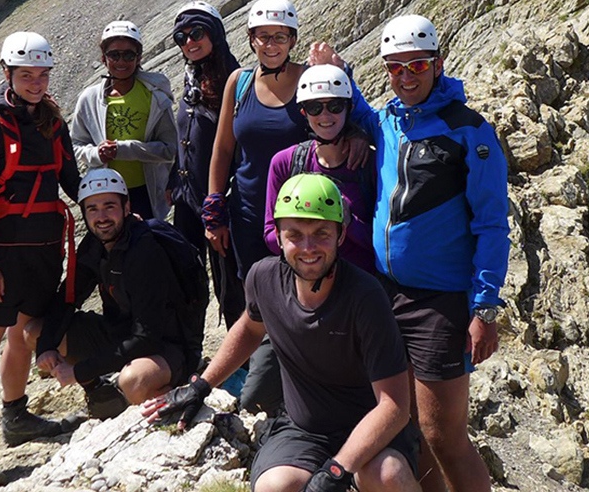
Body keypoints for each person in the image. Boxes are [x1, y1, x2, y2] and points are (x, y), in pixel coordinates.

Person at [312, 16, 509, 492]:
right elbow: (353, 111)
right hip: (384, 294)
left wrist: (484, 306)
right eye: (395, 68)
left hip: (439, 301)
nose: (406, 76)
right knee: (411, 431)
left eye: (416, 64)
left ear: (438, 63)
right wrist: (338, 71)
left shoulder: (469, 132)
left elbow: (491, 224)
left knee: (445, 435)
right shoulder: (386, 121)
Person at [146, 174, 420, 492]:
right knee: (274, 487)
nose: (308, 247)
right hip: (304, 429)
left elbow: (395, 407)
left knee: (388, 475)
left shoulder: (365, 296)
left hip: (371, 428)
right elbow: (249, 330)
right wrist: (202, 385)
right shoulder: (264, 278)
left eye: (321, 234)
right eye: (294, 235)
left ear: (340, 235)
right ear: (278, 235)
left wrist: (336, 469)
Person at [0, 31, 82, 490]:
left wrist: (110, 203)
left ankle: (16, 417)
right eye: (27, 74)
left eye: (43, 74)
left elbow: (71, 180)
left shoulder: (52, 122)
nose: (36, 82)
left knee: (21, 342)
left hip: (44, 255)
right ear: (8, 74)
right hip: (2, 263)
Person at [30, 168, 207, 418]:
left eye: (109, 206)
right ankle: (101, 395)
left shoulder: (145, 250)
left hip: (168, 345)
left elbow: (147, 338)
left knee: (133, 382)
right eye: (92, 209)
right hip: (121, 334)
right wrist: (46, 346)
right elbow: (68, 298)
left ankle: (175, 396)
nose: (101, 217)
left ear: (126, 207)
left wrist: (80, 371)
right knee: (35, 332)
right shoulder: (94, 245)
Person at [204, 0, 309, 413]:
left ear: (292, 39)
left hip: (297, 217)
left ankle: (293, 383)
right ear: (250, 40)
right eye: (263, 36)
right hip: (248, 213)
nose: (271, 44)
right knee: (257, 299)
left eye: (279, 36)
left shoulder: (310, 79)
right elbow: (223, 148)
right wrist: (214, 206)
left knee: (299, 297)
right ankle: (263, 385)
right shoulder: (240, 83)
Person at [168, 0, 246, 326]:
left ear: (214, 33)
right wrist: (173, 182)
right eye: (181, 37)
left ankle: (244, 364)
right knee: (187, 275)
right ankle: (189, 353)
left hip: (220, 199)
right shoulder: (193, 77)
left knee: (229, 280)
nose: (189, 41)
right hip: (187, 199)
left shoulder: (233, 77)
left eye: (197, 32)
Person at [263, 65, 376, 275]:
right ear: (304, 112)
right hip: (307, 284)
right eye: (315, 108)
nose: (325, 115)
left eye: (335, 106)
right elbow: (271, 235)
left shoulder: (371, 164)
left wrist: (348, 221)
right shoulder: (285, 163)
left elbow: (382, 243)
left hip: (361, 287)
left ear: (349, 108)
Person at [70, 20, 177, 221]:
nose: (121, 62)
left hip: (147, 192)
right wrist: (96, 154)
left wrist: (125, 150)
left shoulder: (154, 95)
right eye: (114, 55)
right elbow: (76, 144)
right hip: (106, 194)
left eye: (128, 55)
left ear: (139, 58)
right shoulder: (89, 98)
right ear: (103, 58)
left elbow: (170, 149)